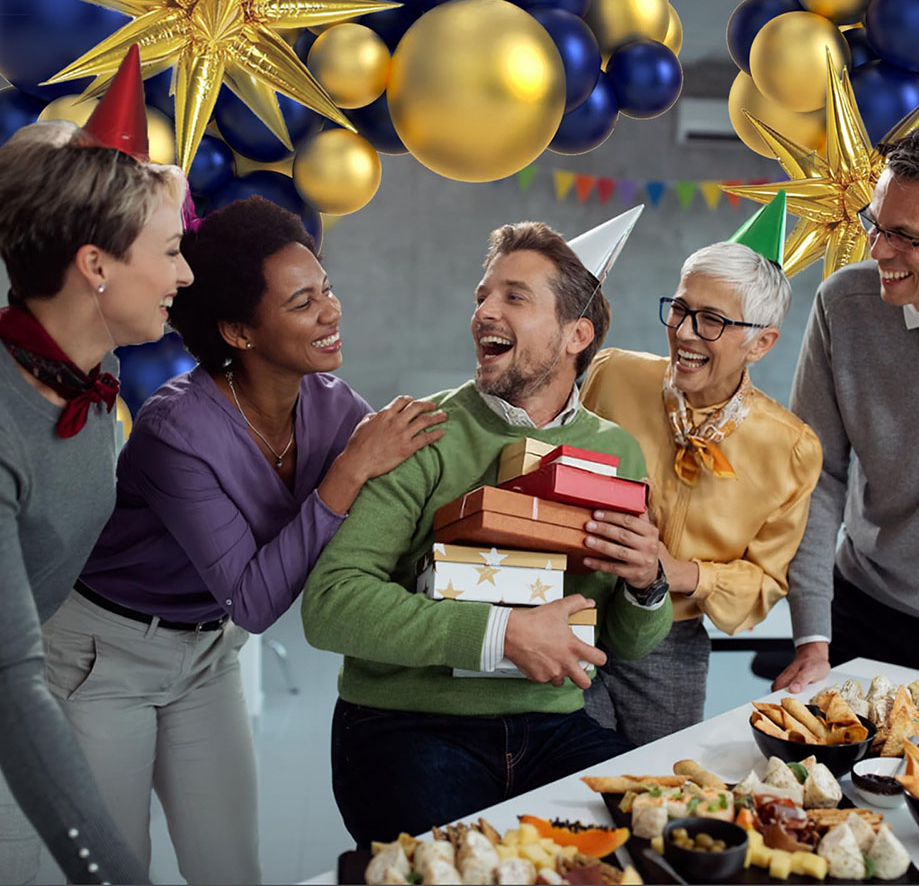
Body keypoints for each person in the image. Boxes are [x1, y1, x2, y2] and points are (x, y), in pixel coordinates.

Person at [41, 196, 446, 884]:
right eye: (302, 303)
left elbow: (400, 515)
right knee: (115, 871)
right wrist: (349, 471)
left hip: (208, 655)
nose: (331, 311)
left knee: (230, 868)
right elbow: (256, 599)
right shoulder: (177, 431)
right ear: (239, 331)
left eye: (327, 289)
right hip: (104, 659)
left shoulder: (334, 405)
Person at [302, 220, 672, 846]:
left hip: (551, 726)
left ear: (575, 335)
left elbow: (621, 643)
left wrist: (647, 586)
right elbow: (331, 605)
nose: (483, 313)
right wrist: (501, 632)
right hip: (408, 725)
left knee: (657, 840)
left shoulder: (617, 453)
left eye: (514, 297)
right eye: (482, 297)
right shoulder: (418, 431)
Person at [0, 105, 191, 882]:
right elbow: (9, 678)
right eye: (172, 251)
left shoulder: (88, 398)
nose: (184, 275)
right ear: (96, 265)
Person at [774, 105, 919, 694]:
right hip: (865, 614)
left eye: (904, 235)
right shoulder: (842, 305)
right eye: (876, 222)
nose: (876, 249)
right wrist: (812, 640)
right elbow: (816, 476)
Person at [580, 232, 822, 744]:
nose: (685, 333)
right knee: (567, 777)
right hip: (571, 612)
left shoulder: (791, 449)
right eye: (680, 309)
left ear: (762, 342)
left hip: (670, 643)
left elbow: (765, 581)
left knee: (659, 789)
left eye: (711, 321)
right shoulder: (611, 374)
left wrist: (679, 573)